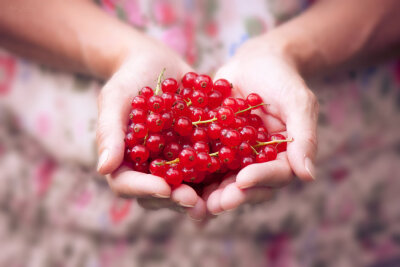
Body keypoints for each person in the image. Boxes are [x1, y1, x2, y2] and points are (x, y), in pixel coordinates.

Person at [0, 0, 399, 222]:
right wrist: (125, 53)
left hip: (345, 198)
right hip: (64, 198)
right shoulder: (158, 125)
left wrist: (287, 51)